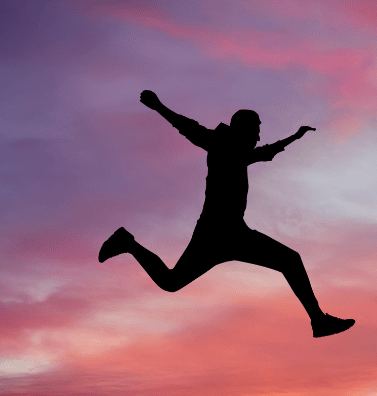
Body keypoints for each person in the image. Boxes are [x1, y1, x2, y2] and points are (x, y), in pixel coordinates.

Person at [100, 90, 354, 337]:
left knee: (288, 261)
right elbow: (187, 126)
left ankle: (319, 320)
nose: (257, 136)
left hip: (233, 234)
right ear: (241, 129)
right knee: (172, 282)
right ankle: (129, 244)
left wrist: (295, 137)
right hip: (215, 234)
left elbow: (265, 152)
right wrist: (159, 107)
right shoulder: (219, 144)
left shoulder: (241, 154)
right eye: (255, 129)